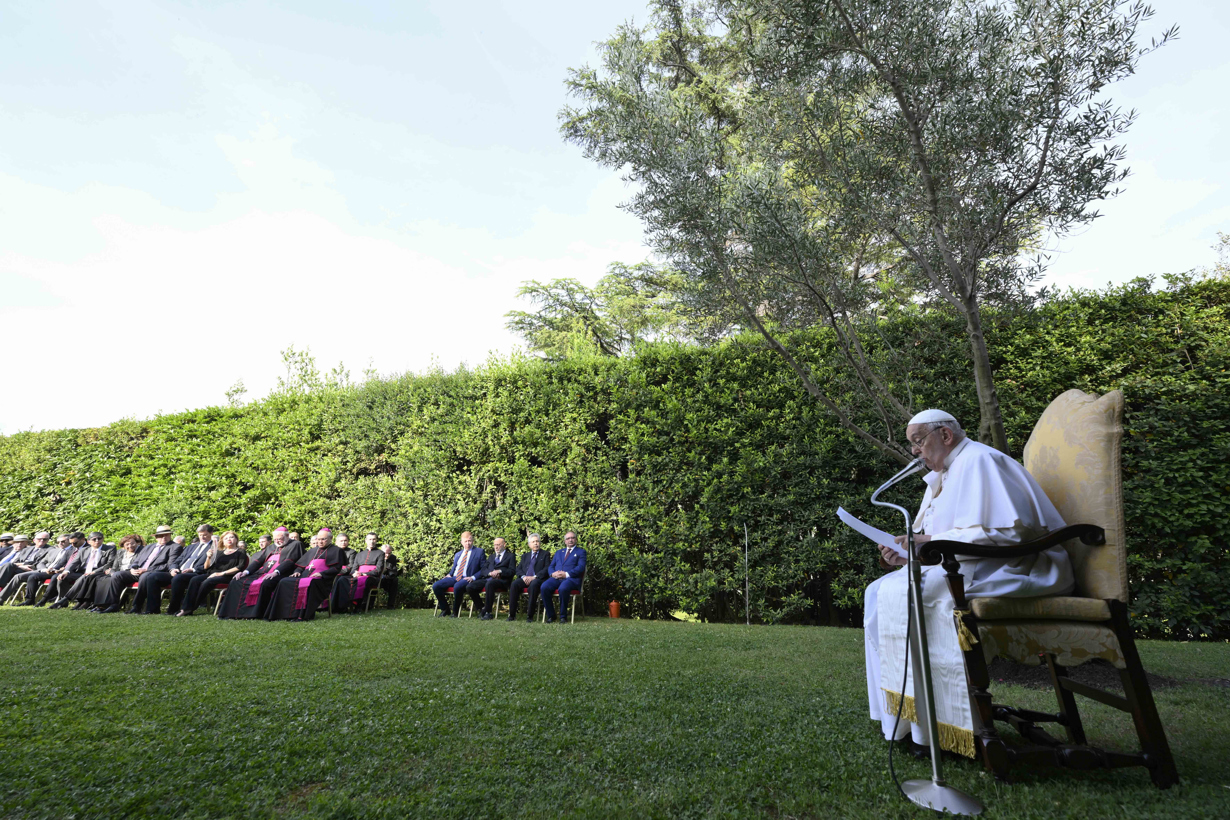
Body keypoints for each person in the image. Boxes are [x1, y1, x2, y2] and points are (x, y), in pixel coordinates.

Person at [863, 409, 1073, 760]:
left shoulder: (981, 461)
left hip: (1018, 567)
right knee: (879, 591)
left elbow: (1010, 532)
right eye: (912, 445)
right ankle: (906, 721)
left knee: (923, 596)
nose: (915, 451)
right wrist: (907, 553)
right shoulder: (944, 474)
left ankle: (950, 731)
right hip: (973, 566)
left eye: (918, 442)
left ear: (944, 435)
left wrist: (926, 540)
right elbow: (939, 540)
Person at [216, 528, 303, 619]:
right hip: (262, 573)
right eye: (275, 539)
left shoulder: (295, 544)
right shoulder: (272, 547)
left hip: (281, 573)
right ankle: (230, 614)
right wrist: (245, 572)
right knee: (236, 581)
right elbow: (259, 561)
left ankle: (255, 614)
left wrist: (275, 572)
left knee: (265, 583)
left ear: (287, 536)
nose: (277, 541)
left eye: (279, 539)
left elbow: (289, 561)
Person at [264, 528, 345, 621]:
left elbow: (336, 568)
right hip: (304, 577)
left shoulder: (337, 550)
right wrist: (297, 572)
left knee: (309, 584)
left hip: (321, 581)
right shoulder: (312, 551)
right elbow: (300, 566)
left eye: (323, 539)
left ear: (331, 538)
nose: (320, 541)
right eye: (318, 539)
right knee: (284, 581)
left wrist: (321, 573)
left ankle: (302, 616)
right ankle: (281, 614)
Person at [95, 526, 177, 613]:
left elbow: (169, 564)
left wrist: (146, 570)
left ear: (170, 535)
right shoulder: (149, 547)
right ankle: (113, 605)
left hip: (156, 573)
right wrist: (132, 568)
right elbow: (137, 561)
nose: (164, 537)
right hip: (139, 572)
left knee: (145, 576)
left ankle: (137, 606)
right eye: (161, 536)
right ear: (156, 537)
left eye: (166, 535)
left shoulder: (174, 547)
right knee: (117, 575)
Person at [176, 531, 248, 616]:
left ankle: (190, 608)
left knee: (208, 581)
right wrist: (208, 557)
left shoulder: (241, 552)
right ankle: (185, 607)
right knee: (195, 579)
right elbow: (207, 567)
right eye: (226, 538)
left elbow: (240, 567)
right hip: (212, 574)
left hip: (227, 576)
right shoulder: (219, 552)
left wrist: (221, 573)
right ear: (223, 542)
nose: (229, 539)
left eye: (231, 537)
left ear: (236, 539)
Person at [2, 533, 77, 605]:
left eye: (44, 539)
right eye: (58, 542)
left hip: (45, 570)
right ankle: (29, 600)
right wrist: (44, 569)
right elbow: (42, 562)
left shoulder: (53, 549)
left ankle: (2, 598)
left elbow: (68, 564)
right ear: (34, 540)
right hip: (43, 570)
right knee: (9, 567)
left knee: (18, 574)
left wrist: (57, 569)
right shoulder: (54, 550)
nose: (60, 543)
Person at [159, 525, 219, 615]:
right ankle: (150, 608)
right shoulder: (191, 547)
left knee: (178, 579)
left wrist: (193, 569)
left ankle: (173, 609)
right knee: (153, 577)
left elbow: (211, 565)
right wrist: (173, 569)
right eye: (200, 535)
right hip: (179, 572)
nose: (202, 537)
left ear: (211, 533)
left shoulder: (214, 548)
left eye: (205, 535)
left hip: (197, 573)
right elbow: (178, 560)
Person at [48, 533, 112, 609]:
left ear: (103, 539)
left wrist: (95, 571)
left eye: (99, 538)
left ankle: (64, 600)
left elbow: (109, 563)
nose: (97, 541)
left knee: (84, 577)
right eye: (94, 539)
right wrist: (66, 571)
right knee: (62, 578)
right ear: (88, 541)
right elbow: (75, 562)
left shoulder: (109, 549)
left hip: (97, 573)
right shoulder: (84, 550)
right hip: (83, 572)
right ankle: (64, 602)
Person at [431, 532, 485, 617]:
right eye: (465, 541)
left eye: (469, 541)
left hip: (467, 578)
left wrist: (473, 577)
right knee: (436, 586)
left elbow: (483, 569)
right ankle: (445, 609)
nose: (468, 543)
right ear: (461, 542)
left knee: (457, 586)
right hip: (455, 577)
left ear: (473, 541)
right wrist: (450, 574)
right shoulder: (458, 554)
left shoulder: (479, 552)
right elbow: (455, 567)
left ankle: (455, 612)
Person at [330, 532, 385, 614]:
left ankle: (358, 606)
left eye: (374, 539)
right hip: (358, 576)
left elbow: (378, 570)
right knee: (342, 579)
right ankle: (341, 607)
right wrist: (354, 573)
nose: (372, 541)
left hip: (371, 577)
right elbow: (354, 568)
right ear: (366, 540)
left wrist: (363, 574)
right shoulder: (360, 554)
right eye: (370, 539)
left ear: (376, 540)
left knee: (362, 580)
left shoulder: (380, 553)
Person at [539, 531, 586, 624]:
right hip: (556, 578)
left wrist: (566, 574)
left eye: (572, 538)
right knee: (544, 587)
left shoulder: (581, 552)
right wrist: (552, 574)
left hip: (571, 579)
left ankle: (563, 616)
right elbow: (551, 566)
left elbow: (581, 568)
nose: (570, 540)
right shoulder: (559, 552)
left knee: (563, 588)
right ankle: (551, 616)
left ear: (576, 539)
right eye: (568, 538)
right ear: (565, 541)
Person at [87, 536, 142, 611]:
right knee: (102, 579)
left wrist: (115, 574)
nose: (130, 546)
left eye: (133, 543)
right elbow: (114, 567)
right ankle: (100, 605)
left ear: (137, 543)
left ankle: (113, 605)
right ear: (123, 545)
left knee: (116, 576)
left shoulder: (141, 551)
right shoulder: (120, 552)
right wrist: (112, 573)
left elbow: (137, 566)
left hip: (130, 574)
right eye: (127, 544)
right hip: (118, 574)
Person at [468, 536, 514, 620]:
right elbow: (483, 570)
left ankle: (488, 612)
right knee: (470, 587)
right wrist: (490, 573)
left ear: (504, 545)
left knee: (490, 584)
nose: (496, 547)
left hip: (502, 580)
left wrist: (500, 572)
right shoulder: (491, 557)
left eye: (498, 545)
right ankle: (482, 608)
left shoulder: (510, 556)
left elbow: (512, 571)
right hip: (488, 579)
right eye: (495, 545)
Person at [507, 532, 550, 622]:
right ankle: (512, 615)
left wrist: (534, 577)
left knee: (533, 585)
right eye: (533, 542)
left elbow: (547, 569)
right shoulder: (525, 556)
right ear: (529, 544)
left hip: (537, 579)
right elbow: (518, 569)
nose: (536, 543)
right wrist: (523, 576)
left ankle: (530, 616)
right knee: (514, 584)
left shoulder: (545, 554)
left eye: (537, 541)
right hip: (525, 578)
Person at [378, 543, 400, 609]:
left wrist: (388, 576)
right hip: (376, 577)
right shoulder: (377, 556)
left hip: (386, 578)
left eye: (389, 553)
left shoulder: (392, 558)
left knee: (394, 581)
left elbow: (393, 571)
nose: (387, 555)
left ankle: (390, 605)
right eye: (385, 553)